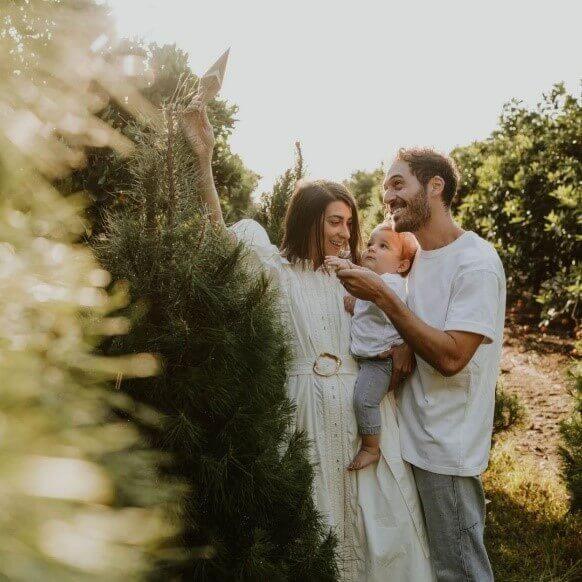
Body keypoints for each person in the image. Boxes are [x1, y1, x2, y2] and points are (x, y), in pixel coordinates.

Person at [181, 101, 435, 581]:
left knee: (378, 522)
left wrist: (403, 343)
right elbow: (218, 237)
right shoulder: (274, 270)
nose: (344, 232)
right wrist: (202, 160)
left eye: (348, 222)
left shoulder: (359, 276)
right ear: (307, 220)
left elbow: (409, 301)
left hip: (364, 406)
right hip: (301, 404)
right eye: (333, 221)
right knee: (310, 517)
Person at [336, 148, 506, 582]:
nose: (386, 196)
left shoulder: (476, 263)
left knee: (459, 571)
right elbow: (410, 329)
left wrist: (384, 300)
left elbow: (451, 357)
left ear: (435, 187)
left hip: (444, 449)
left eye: (398, 184)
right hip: (405, 435)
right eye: (385, 186)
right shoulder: (415, 261)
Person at [325, 223, 418, 471]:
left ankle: (371, 448)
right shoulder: (377, 285)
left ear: (401, 265)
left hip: (381, 361)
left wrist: (347, 266)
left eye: (383, 246)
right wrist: (355, 304)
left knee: (364, 400)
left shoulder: (393, 283)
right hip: (368, 357)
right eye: (370, 244)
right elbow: (372, 312)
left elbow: (378, 293)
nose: (372, 249)